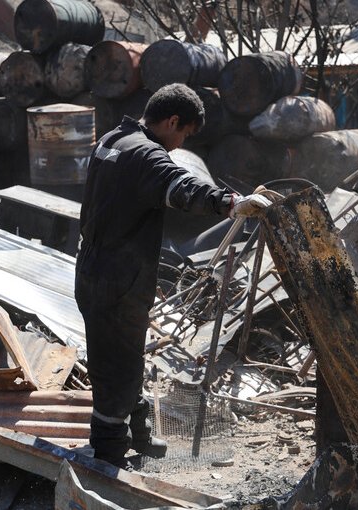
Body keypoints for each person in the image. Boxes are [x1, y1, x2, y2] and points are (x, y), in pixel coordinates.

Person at [75, 83, 273, 469]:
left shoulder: (114, 139)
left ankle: (137, 433)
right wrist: (232, 202)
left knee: (117, 354)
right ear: (171, 121)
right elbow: (182, 186)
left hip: (91, 268)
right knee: (117, 362)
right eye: (183, 134)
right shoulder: (148, 156)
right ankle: (109, 450)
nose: (180, 143)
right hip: (121, 275)